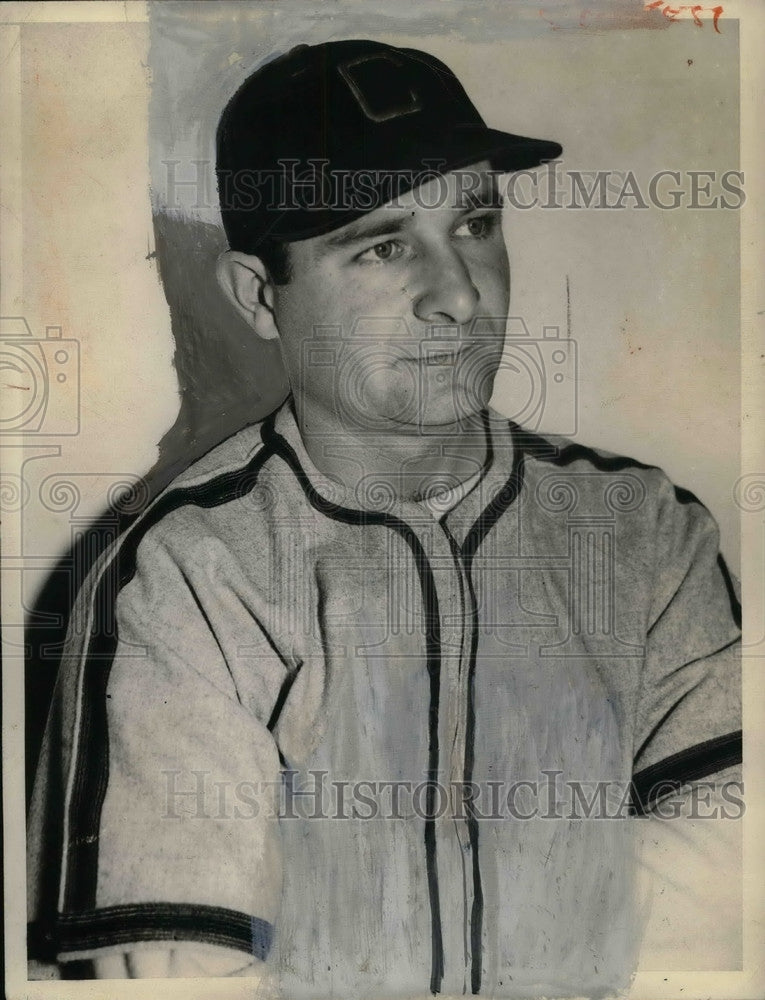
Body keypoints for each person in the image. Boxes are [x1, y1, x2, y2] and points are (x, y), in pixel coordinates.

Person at [27, 39, 742, 995]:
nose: (457, 296)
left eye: (476, 225)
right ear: (258, 295)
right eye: (383, 244)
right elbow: (170, 974)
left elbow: (727, 904)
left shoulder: (645, 528)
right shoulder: (184, 572)